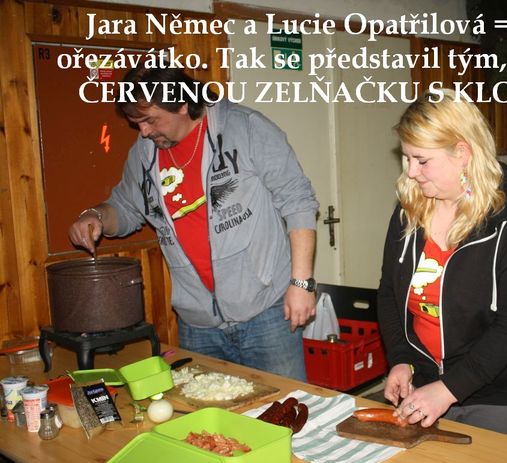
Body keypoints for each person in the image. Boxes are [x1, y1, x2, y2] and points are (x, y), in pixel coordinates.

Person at [68, 64, 319, 381]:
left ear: (182, 104)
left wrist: (301, 284)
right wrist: (95, 216)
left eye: (150, 120)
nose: (143, 132)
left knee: (284, 405)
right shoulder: (143, 155)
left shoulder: (247, 128)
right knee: (205, 411)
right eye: (137, 123)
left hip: (266, 312)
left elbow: (298, 201)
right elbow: (126, 208)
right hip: (198, 324)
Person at [378, 88, 507, 443]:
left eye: (422, 160)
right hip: (429, 383)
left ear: (463, 153)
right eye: (406, 158)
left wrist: (449, 389)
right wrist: (401, 358)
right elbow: (389, 292)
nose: (411, 172)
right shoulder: (411, 208)